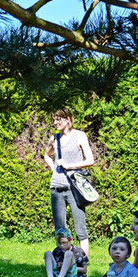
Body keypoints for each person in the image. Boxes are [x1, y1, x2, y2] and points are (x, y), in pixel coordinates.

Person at [43, 107, 95, 262]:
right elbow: (46, 155)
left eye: (59, 119)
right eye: (54, 119)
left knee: (80, 229)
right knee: (60, 230)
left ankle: (81, 265)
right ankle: (63, 263)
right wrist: (54, 169)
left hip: (74, 188)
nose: (55, 122)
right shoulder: (54, 138)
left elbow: (90, 160)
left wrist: (69, 165)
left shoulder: (79, 136)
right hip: (56, 188)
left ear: (68, 119)